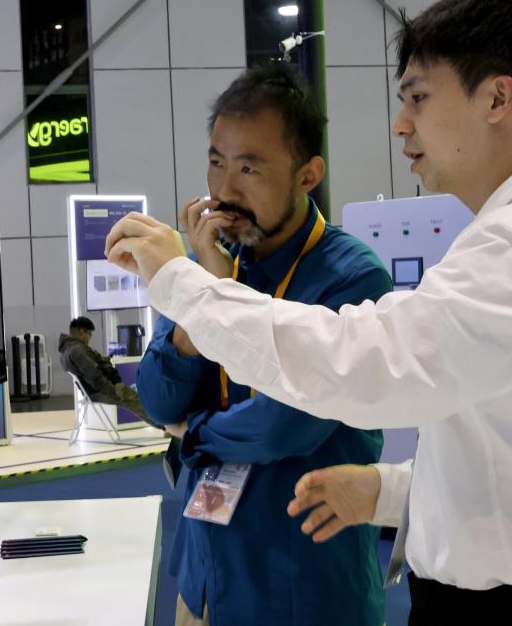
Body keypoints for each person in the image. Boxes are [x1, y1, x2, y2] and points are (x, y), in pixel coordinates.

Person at [105, 0, 512, 622]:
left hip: (510, 595)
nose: (401, 124)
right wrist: (393, 490)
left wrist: (179, 281)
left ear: (498, 100)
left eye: (418, 98)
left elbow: (359, 363)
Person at [136, 62, 391, 626]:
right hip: (203, 580)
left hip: (300, 590)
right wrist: (203, 297)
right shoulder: (209, 262)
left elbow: (284, 425)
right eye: (216, 162)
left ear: (308, 175)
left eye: (249, 168)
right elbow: (156, 400)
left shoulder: (351, 278)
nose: (224, 191)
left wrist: (194, 432)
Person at [58, 316, 152, 424]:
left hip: (92, 391)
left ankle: (163, 425)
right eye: (89, 334)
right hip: (100, 391)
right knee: (136, 398)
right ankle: (164, 425)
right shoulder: (78, 350)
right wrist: (113, 390)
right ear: (82, 331)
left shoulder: (66, 349)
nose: (89, 338)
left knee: (133, 398)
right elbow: (94, 376)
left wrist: (101, 360)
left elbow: (85, 368)